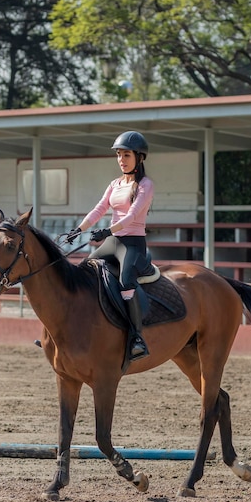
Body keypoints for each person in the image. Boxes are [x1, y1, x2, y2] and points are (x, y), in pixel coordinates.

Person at [67, 130, 154, 360]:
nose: (121, 160)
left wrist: (107, 230)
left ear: (139, 157)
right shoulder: (114, 184)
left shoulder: (145, 185)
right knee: (82, 272)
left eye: (126, 155)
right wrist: (79, 229)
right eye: (118, 155)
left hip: (133, 243)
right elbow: (99, 208)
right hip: (113, 242)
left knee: (126, 282)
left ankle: (136, 337)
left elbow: (132, 216)